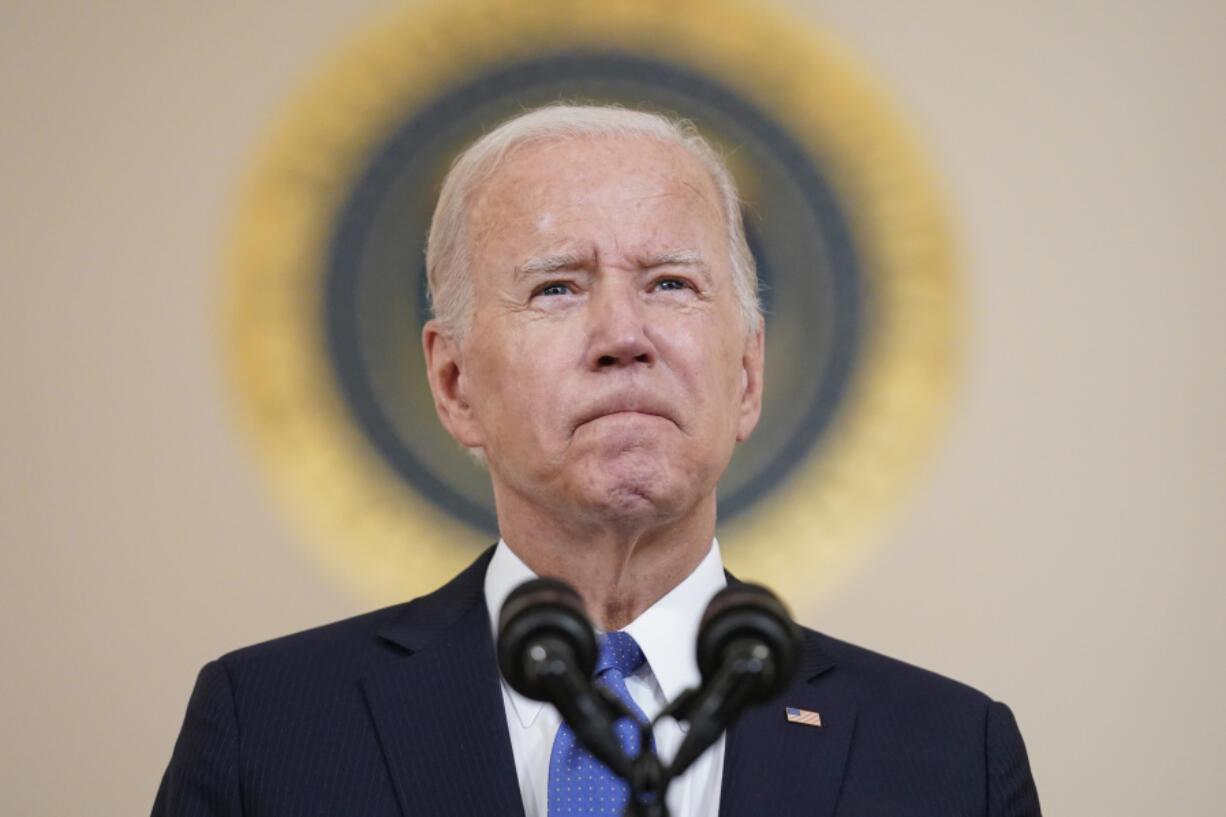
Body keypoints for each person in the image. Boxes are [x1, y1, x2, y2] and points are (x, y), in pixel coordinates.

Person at [154, 104, 1040, 816]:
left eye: (670, 283)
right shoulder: (268, 728)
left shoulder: (951, 756)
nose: (624, 336)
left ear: (747, 372)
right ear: (454, 381)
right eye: (557, 287)